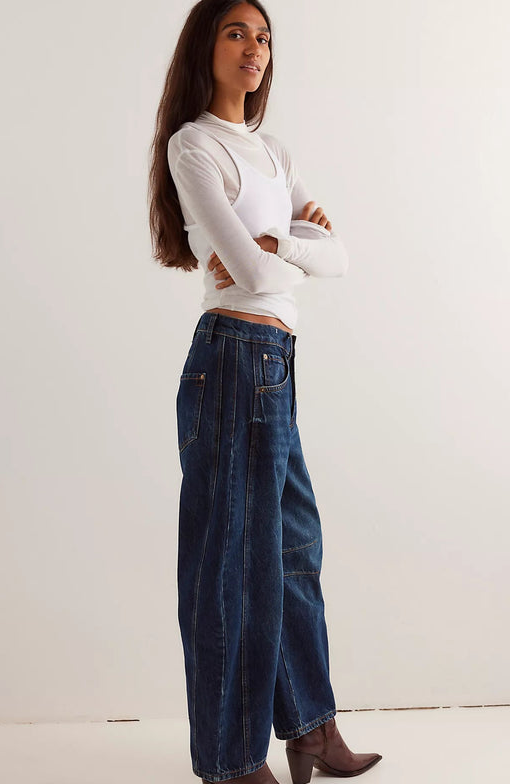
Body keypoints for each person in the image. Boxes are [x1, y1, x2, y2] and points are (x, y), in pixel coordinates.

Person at [147, 2, 383, 782]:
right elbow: (249, 275)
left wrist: (281, 241)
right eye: (236, 33)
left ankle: (311, 727)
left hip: (275, 361)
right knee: (231, 567)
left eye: (264, 36)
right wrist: (290, 248)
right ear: (206, 47)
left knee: (293, 551)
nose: (255, 48)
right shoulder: (194, 145)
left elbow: (337, 256)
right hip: (232, 360)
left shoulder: (274, 152)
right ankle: (232, 759)